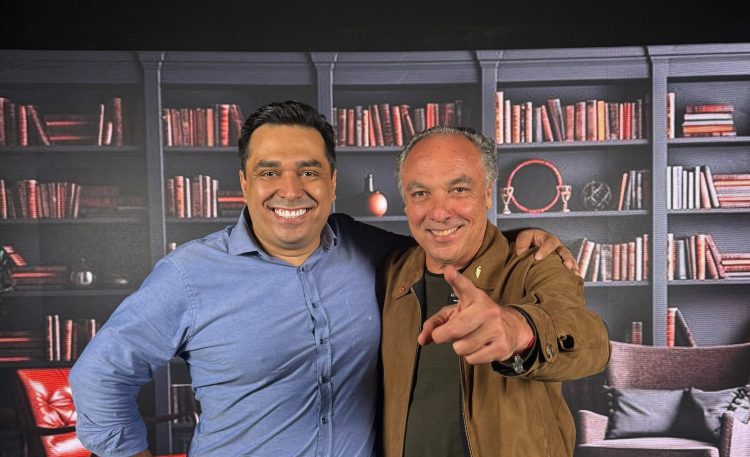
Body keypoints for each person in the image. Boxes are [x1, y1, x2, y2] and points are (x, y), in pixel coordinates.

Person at [70, 101, 575, 457]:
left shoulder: (374, 251)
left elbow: (445, 235)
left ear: (332, 183)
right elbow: (98, 377)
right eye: (269, 172)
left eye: (309, 171)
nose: (290, 190)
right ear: (244, 184)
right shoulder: (188, 275)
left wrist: (517, 239)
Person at [379, 125, 611, 457]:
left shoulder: (535, 263)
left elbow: (591, 343)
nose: (439, 212)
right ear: (405, 202)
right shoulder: (390, 273)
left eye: (459, 189)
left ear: (488, 193)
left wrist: (521, 332)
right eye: (420, 194)